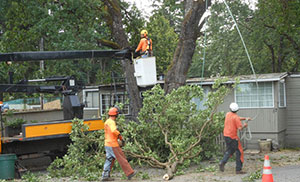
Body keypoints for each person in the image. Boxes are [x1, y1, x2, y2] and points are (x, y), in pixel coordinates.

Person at [101, 107, 136, 181]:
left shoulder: (107, 121)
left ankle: (105, 176)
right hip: (113, 144)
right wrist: (120, 136)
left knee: (109, 159)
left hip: (107, 144)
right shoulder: (111, 122)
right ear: (116, 114)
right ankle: (130, 173)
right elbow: (114, 130)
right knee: (122, 158)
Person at [219, 102, 251, 174]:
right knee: (239, 152)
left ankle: (222, 162)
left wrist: (245, 118)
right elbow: (240, 128)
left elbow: (236, 118)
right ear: (237, 110)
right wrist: (244, 125)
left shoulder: (228, 114)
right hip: (233, 137)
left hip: (226, 136)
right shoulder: (235, 117)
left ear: (230, 109)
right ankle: (238, 169)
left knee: (230, 150)